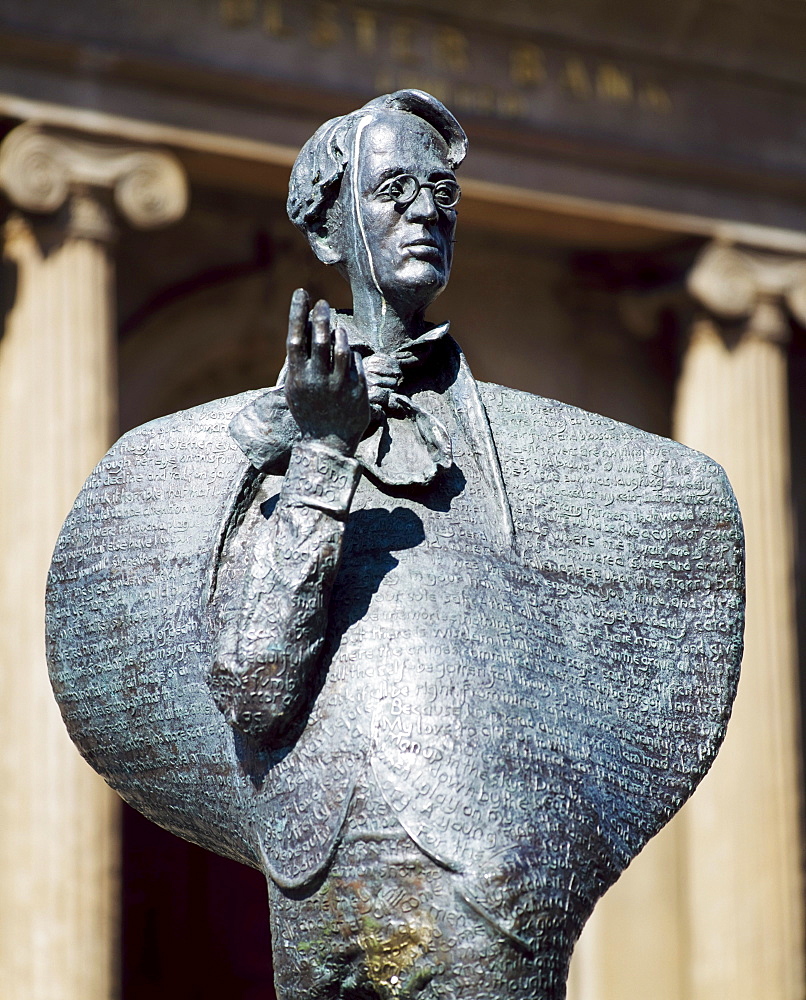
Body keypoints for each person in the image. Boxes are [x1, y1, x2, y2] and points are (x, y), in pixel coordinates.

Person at [46, 91, 744, 1000]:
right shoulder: (260, 444)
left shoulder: (545, 456)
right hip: (321, 883)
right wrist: (326, 451)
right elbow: (256, 688)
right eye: (395, 189)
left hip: (498, 886)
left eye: (444, 194)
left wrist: (538, 852)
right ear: (332, 233)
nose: (425, 211)